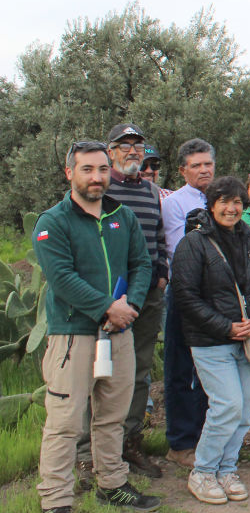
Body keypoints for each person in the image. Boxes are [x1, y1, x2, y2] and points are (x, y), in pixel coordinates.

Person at [33, 140, 159, 513]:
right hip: (73, 336)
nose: (97, 177)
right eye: (87, 169)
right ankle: (55, 502)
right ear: (69, 172)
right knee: (66, 423)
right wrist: (108, 307)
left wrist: (129, 308)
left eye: (102, 169)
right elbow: (62, 279)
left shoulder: (123, 217)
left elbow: (142, 264)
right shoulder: (53, 221)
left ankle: (113, 484)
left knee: (112, 416)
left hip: (118, 333)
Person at [171, 176, 250, 504]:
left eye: (237, 202)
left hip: (248, 338)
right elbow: (185, 297)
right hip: (210, 340)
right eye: (224, 202)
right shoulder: (194, 243)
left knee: (245, 408)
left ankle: (227, 468)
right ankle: (202, 471)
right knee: (226, 404)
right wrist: (225, 327)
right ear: (211, 205)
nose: (231, 208)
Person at [75, 124, 167, 484]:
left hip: (146, 295)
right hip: (104, 297)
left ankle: (129, 442)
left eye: (138, 145)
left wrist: (161, 271)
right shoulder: (99, 188)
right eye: (124, 145)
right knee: (94, 373)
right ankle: (87, 454)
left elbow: (157, 236)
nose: (132, 151)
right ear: (110, 152)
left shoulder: (151, 191)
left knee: (138, 372)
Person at [160, 138, 217, 467]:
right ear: (183, 170)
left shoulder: (221, 196)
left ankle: (208, 437)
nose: (203, 170)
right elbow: (181, 250)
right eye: (196, 165)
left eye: (207, 163)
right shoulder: (175, 203)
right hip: (186, 292)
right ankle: (181, 442)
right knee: (181, 368)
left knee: (212, 368)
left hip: (218, 296)